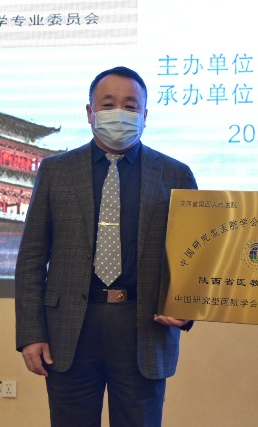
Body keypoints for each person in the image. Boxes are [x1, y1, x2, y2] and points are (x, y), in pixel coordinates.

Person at [15, 66, 197, 426]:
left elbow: (194, 256)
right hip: (69, 328)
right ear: (90, 112)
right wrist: (31, 333)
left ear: (145, 115)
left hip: (143, 328)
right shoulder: (55, 171)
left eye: (130, 106)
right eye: (108, 104)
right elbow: (32, 258)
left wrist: (187, 307)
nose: (120, 113)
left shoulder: (175, 174)